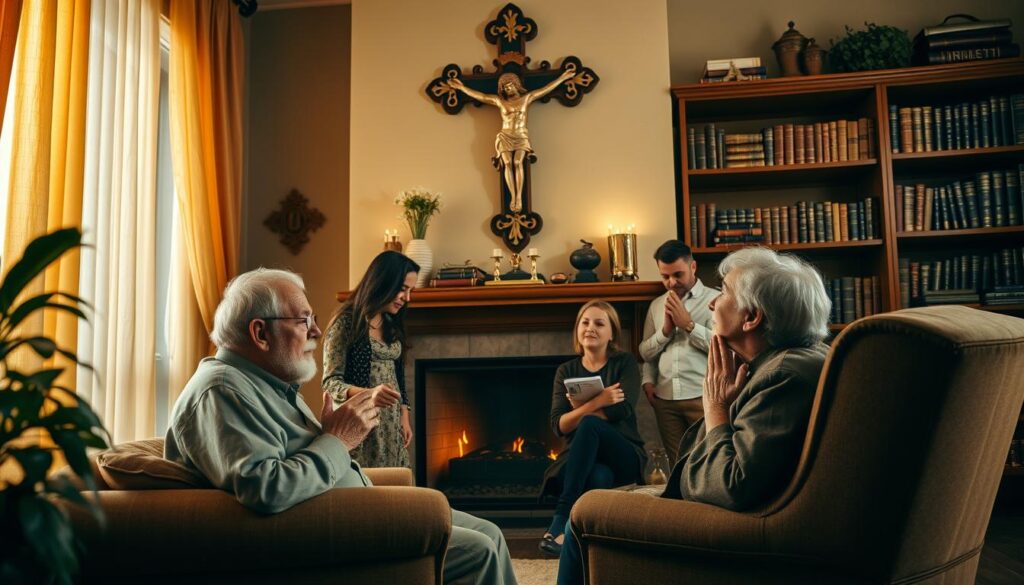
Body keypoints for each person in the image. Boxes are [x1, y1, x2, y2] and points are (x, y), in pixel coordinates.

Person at [165, 268, 517, 585]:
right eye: (303, 320)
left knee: (489, 531)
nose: (316, 330)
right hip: (330, 527)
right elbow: (265, 488)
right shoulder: (222, 391)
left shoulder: (267, 385)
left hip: (351, 507)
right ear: (260, 333)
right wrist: (336, 438)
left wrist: (327, 433)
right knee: (479, 550)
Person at [557, 247, 832, 585]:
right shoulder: (781, 364)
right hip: (717, 504)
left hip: (722, 523)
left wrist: (717, 410)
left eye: (726, 292)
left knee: (581, 516)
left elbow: (733, 485)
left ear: (752, 318)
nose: (715, 303)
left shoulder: (782, 376)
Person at [539, 300, 647, 557]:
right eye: (585, 322)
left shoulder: (625, 363)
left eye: (599, 323)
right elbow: (559, 425)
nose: (590, 328)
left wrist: (578, 409)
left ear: (612, 334)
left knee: (589, 424)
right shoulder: (566, 370)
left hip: (625, 453)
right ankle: (582, 542)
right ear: (577, 329)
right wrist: (598, 401)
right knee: (599, 478)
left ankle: (560, 518)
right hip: (581, 457)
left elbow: (623, 410)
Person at [322, 251, 416, 468]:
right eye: (403, 289)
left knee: (395, 492)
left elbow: (398, 375)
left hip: (392, 429)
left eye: (411, 291)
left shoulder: (391, 323)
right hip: (362, 425)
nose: (407, 298)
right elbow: (330, 384)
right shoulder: (346, 323)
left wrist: (404, 415)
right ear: (383, 282)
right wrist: (370, 393)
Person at [448, 68, 575, 213]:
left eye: (510, 86)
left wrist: (563, 78)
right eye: (505, 88)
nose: (508, 89)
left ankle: (519, 197)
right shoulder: (500, 101)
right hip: (505, 135)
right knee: (507, 163)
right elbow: (481, 96)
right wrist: (461, 87)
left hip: (520, 135)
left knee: (517, 162)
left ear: (516, 85)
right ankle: (513, 196)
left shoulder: (526, 99)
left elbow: (545, 89)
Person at [639, 240, 720, 463]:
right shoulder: (656, 305)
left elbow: (723, 347)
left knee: (709, 461)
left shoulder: (716, 300)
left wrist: (689, 326)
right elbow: (646, 353)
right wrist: (647, 380)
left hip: (703, 396)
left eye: (678, 274)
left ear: (693, 267)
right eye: (665, 276)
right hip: (665, 399)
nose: (671, 282)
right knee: (677, 465)